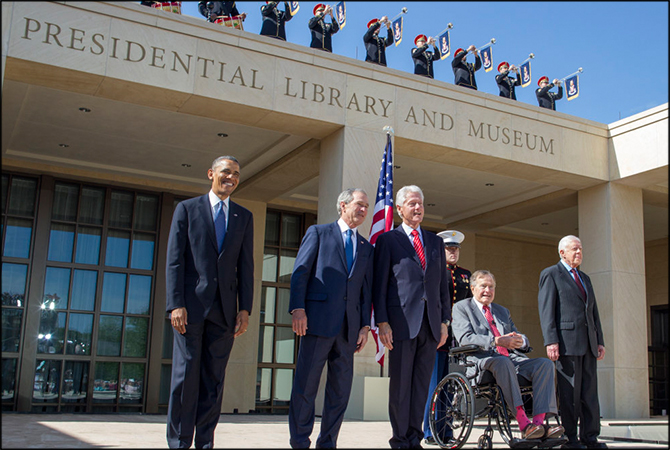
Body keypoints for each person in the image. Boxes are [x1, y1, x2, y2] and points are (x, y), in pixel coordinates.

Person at [165, 156, 254, 449]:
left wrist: (245, 308)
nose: (231, 177)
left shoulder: (244, 216)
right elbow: (175, 261)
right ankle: (179, 442)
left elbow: (246, 266)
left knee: (213, 382)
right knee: (185, 377)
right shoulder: (187, 210)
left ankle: (205, 443)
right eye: (226, 172)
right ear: (211, 174)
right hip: (189, 310)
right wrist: (175, 304)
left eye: (236, 174)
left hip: (225, 313)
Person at [287, 188, 374, 449]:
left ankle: (328, 443)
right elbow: (300, 272)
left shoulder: (365, 247)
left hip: (349, 330)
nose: (363, 210)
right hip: (317, 323)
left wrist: (365, 326)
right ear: (343, 205)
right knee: (306, 387)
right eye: (359, 204)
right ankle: (300, 441)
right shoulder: (318, 233)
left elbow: (365, 290)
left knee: (339, 392)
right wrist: (298, 309)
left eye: (367, 207)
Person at [373, 185, 451, 449]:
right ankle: (399, 439)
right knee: (400, 386)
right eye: (412, 204)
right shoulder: (387, 241)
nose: (418, 208)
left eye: (421, 203)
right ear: (400, 209)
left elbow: (443, 287)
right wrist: (382, 322)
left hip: (430, 325)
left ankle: (414, 437)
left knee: (420, 387)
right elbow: (380, 284)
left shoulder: (435, 242)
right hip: (401, 325)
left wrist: (444, 322)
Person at [452, 270, 565, 442]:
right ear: (473, 288)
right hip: (482, 361)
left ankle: (539, 424)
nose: (487, 291)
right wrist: (496, 341)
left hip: (512, 359)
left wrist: (522, 341)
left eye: (491, 287)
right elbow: (465, 339)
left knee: (544, 364)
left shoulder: (501, 311)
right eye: (483, 286)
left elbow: (518, 335)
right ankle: (523, 423)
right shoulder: (462, 308)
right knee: (503, 362)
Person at [538, 235, 606, 449]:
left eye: (580, 249)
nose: (579, 252)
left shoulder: (585, 278)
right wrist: (551, 340)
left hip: (588, 344)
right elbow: (546, 310)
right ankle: (570, 437)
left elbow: (593, 312)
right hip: (566, 344)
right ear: (562, 253)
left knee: (589, 393)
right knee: (570, 393)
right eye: (574, 249)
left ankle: (590, 436)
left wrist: (600, 341)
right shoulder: (551, 274)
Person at [422, 230, 471, 446]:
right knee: (434, 385)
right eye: (449, 248)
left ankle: (447, 431)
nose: (453, 252)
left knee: (450, 388)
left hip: (457, 339)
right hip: (438, 336)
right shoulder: (434, 272)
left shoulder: (465, 274)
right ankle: (430, 430)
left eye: (456, 249)